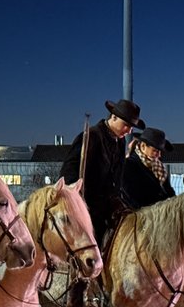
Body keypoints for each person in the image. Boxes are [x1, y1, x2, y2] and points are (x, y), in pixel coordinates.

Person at [59, 98, 143, 244]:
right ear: (114, 117)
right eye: (126, 125)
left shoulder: (120, 141)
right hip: (89, 208)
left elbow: (116, 177)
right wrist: (76, 199)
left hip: (109, 206)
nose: (129, 130)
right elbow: (69, 171)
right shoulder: (91, 136)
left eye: (131, 127)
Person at [121, 127, 176, 210]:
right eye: (155, 151)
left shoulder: (159, 167)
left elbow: (169, 192)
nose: (159, 155)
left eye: (160, 152)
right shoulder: (128, 165)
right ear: (143, 146)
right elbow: (132, 198)